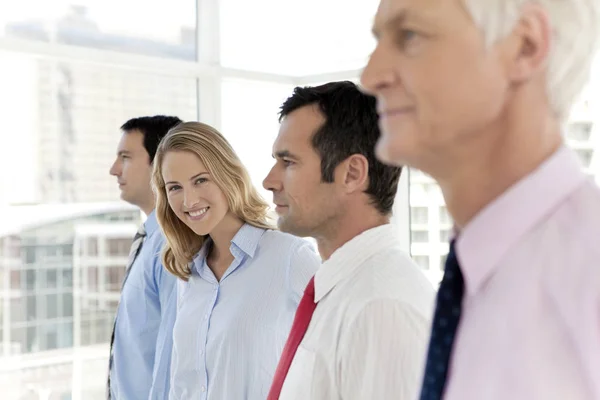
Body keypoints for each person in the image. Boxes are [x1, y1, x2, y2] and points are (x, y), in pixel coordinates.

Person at [361, 0, 600, 399]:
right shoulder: (474, 280)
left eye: (410, 36)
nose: (370, 77)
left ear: (524, 46)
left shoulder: (587, 279)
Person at [263, 81, 435, 400]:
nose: (269, 181)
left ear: (353, 174)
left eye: (288, 162)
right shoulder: (342, 290)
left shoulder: (381, 308)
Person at [151, 121, 320, 399]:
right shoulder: (192, 275)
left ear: (227, 175)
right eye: (174, 188)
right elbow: (182, 384)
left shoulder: (289, 257)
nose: (189, 200)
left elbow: (345, 353)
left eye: (200, 180)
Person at [107, 115, 182, 399]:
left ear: (161, 163)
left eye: (125, 157)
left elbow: (174, 356)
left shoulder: (173, 246)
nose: (114, 170)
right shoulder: (150, 239)